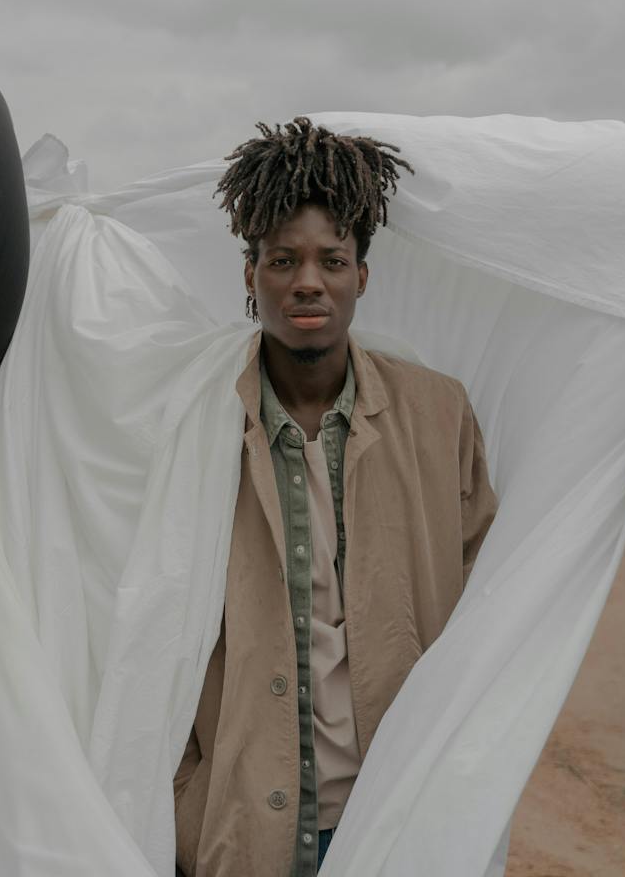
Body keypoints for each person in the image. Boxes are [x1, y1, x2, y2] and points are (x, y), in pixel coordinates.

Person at [174, 117, 499, 876]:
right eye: (283, 259)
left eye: (333, 260)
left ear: (364, 275)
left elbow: (487, 603)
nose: (308, 281)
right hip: (239, 821)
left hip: (395, 816)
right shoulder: (196, 418)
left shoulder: (438, 414)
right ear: (251, 275)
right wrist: (185, 791)